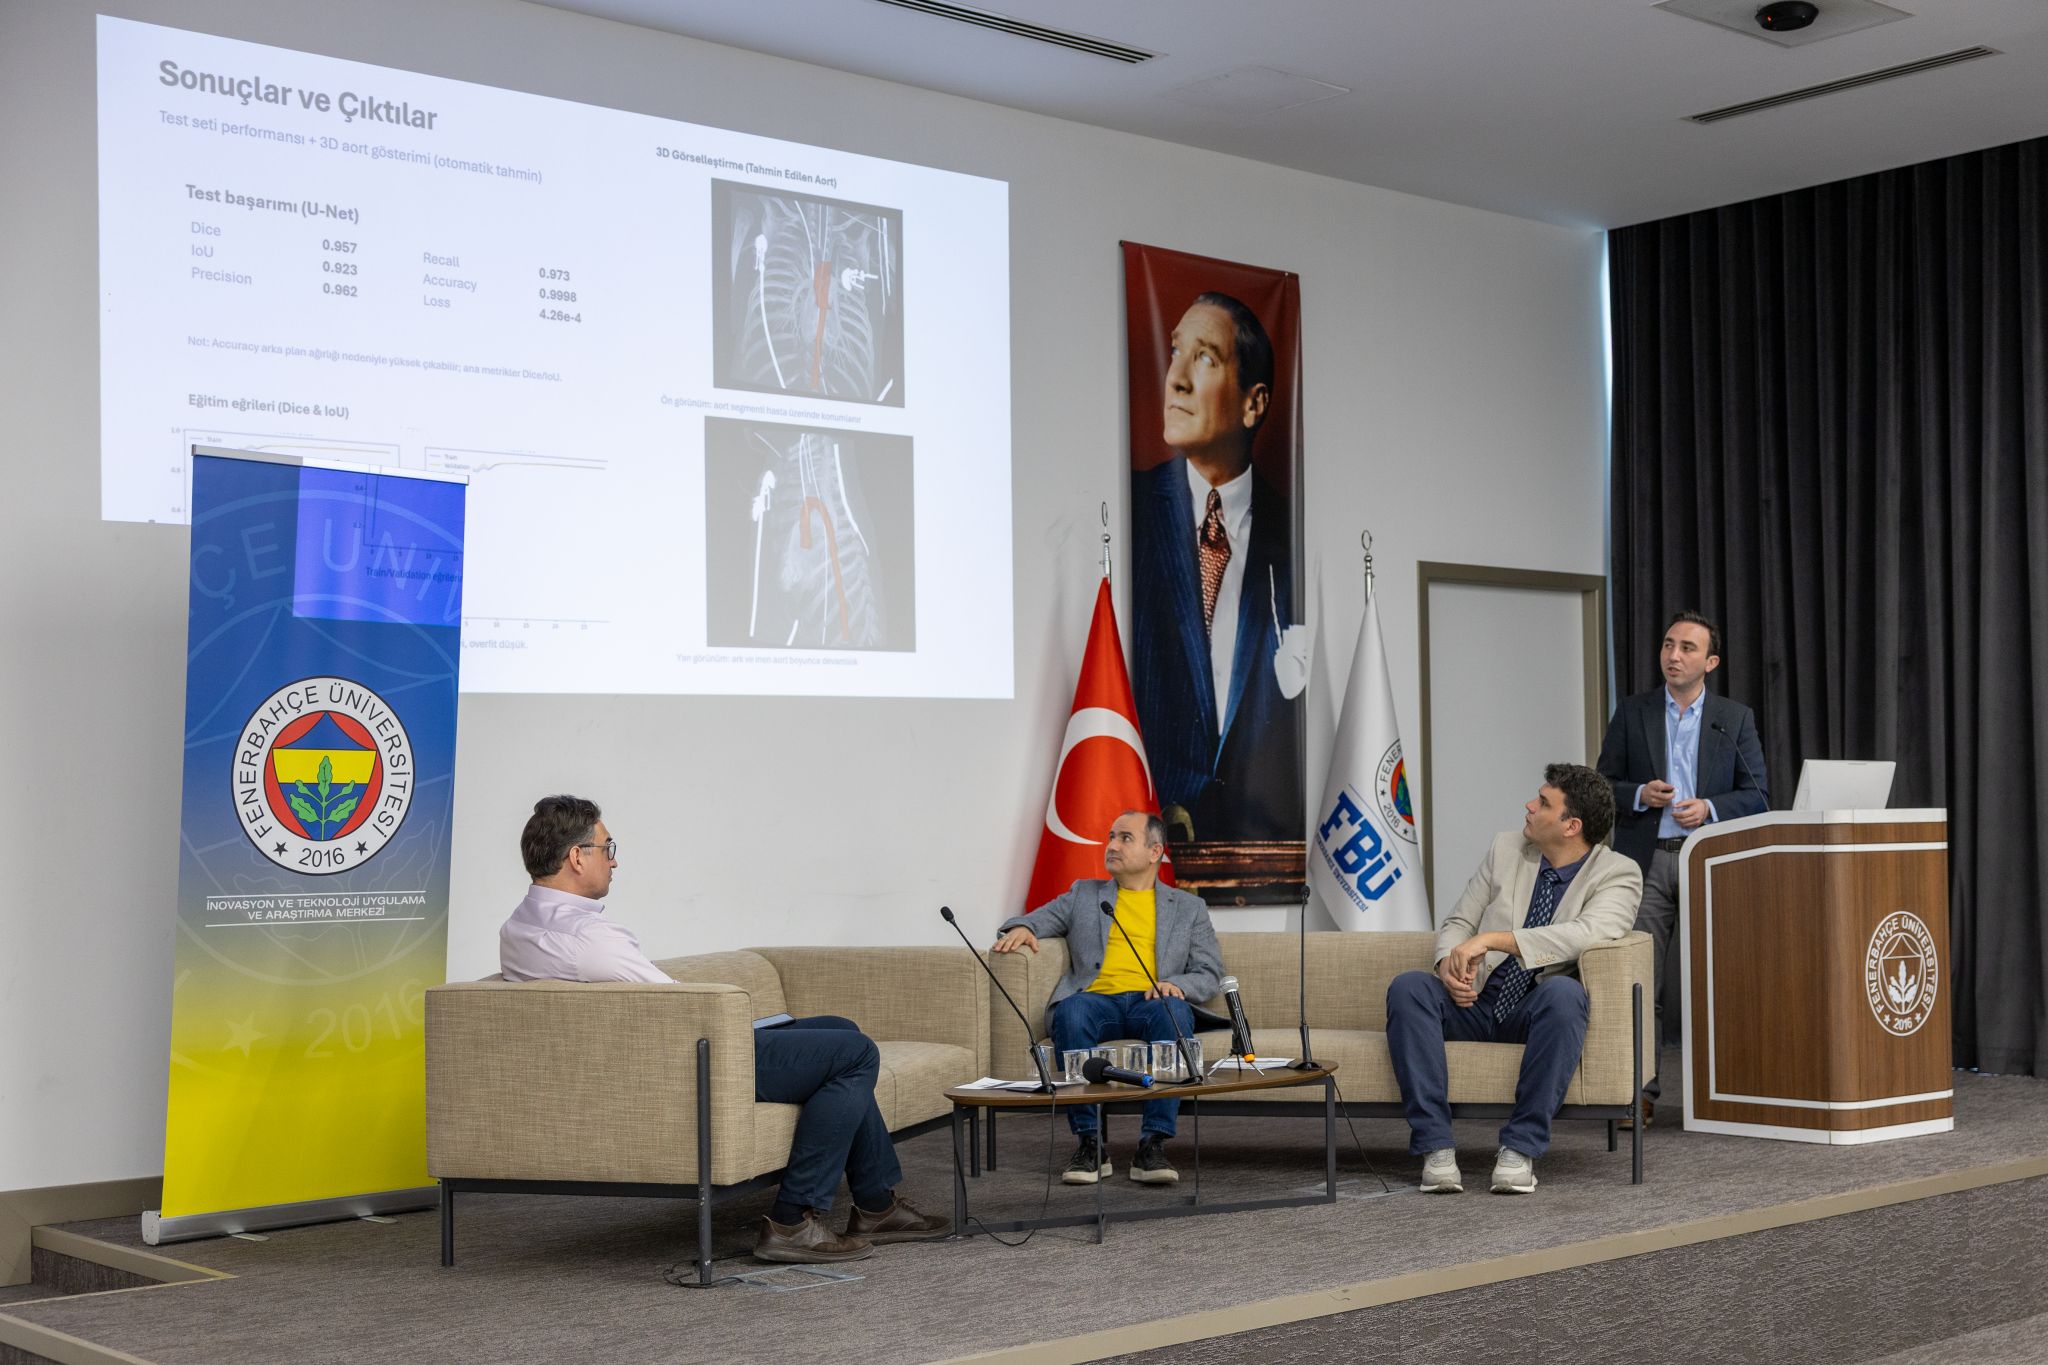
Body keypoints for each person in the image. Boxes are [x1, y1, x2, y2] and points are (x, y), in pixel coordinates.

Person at [500, 795, 946, 1264]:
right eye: (607, 848)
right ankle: (795, 1222)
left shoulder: (518, 928)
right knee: (854, 1053)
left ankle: (876, 1207)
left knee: (840, 1031)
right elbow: (682, 1011)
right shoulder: (588, 939)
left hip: (658, 1052)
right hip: (692, 1063)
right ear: (576, 856)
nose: (614, 861)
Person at [1385, 764, 1642, 1194]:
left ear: (1571, 826)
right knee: (1409, 987)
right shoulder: (1506, 848)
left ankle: (1520, 1149)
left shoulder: (1619, 873)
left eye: (1543, 802)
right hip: (1475, 1000)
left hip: (1533, 1009)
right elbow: (1459, 921)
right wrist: (1448, 964)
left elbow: (1586, 934)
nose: (1529, 806)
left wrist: (1494, 940)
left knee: (1566, 995)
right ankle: (1435, 1147)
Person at [1130, 292, 1306, 843]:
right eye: (1175, 352)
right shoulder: (1133, 513)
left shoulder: (1293, 536)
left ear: (1254, 404)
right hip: (1152, 851)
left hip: (1260, 852)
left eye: (1204, 357)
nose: (1176, 379)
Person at [1594, 610, 1768, 1123]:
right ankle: (1639, 1094)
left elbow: (1758, 794)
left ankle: (1731, 1090)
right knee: (1640, 982)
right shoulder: (1634, 712)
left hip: (1711, 863)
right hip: (1646, 864)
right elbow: (1602, 786)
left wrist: (1709, 808)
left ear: (1710, 662)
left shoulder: (1733, 718)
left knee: (1720, 981)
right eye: (1668, 644)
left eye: (1688, 648)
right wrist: (1640, 795)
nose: (1673, 655)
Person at [992, 811, 1224, 1186]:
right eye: (1111, 836)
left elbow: (1209, 972)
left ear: (1155, 851)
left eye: (1125, 838)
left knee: (1174, 1013)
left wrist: (1175, 984)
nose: (1112, 845)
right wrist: (1021, 928)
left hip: (1153, 1002)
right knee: (1070, 1013)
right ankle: (1090, 1144)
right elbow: (1033, 919)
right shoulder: (1084, 894)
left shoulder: (1187, 907)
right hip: (1096, 1000)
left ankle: (1153, 1144)